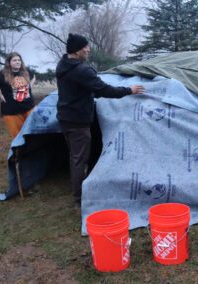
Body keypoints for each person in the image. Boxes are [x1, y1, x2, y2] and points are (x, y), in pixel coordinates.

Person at [56, 33, 144, 206]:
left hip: (65, 117)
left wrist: (91, 91)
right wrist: (129, 90)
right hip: (77, 121)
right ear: (76, 50)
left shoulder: (63, 65)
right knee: (79, 158)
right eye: (85, 47)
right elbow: (105, 90)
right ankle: (80, 196)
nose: (88, 50)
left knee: (75, 154)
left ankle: (78, 187)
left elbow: (83, 88)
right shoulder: (81, 70)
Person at [0, 52, 36, 138]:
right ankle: (20, 151)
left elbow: (34, 77)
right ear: (9, 62)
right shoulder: (2, 74)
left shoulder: (26, 72)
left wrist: (29, 88)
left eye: (19, 60)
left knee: (32, 133)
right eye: (14, 60)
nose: (17, 62)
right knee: (18, 137)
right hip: (12, 112)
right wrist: (0, 94)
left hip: (29, 108)